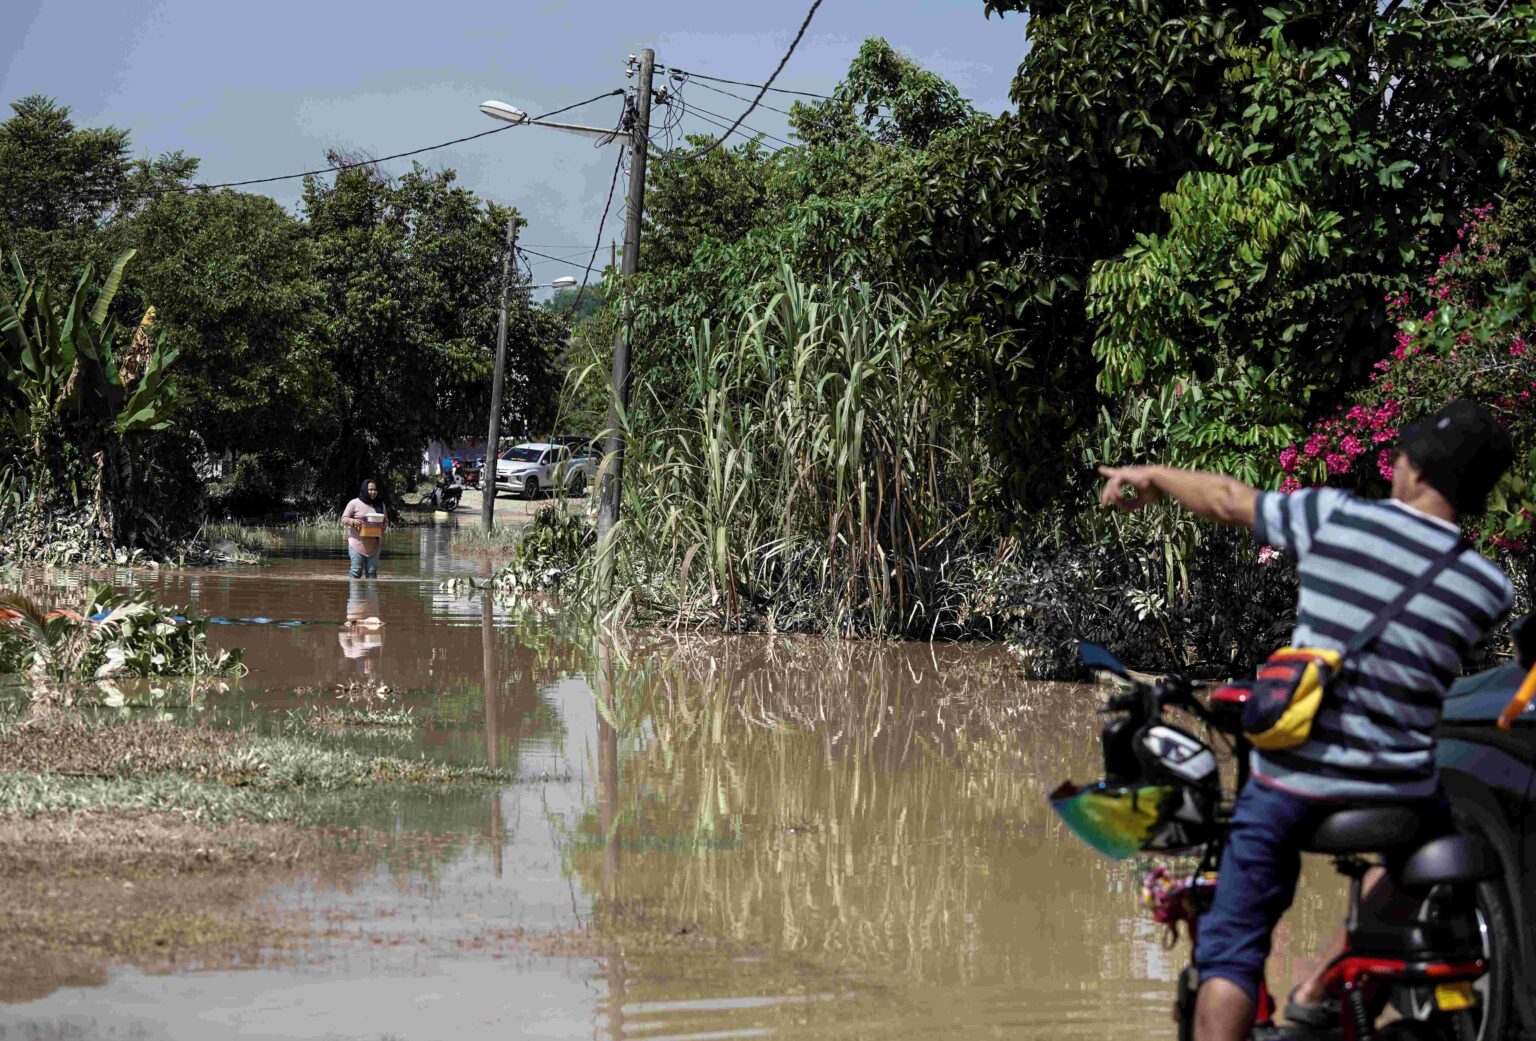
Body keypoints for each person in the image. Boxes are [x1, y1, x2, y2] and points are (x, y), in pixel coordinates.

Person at [1097, 398, 1515, 1041]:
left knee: (1231, 950)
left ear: (1413, 473)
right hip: (1401, 791)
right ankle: (1324, 978)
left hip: (1294, 787)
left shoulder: (1335, 518)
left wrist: (1151, 475)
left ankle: (1273, 996)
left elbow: (1227, 498)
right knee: (1424, 834)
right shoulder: (1488, 589)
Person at [341, 478, 388, 579]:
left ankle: (371, 595)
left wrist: (382, 528)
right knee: (356, 571)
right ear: (364, 490)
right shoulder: (354, 503)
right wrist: (354, 522)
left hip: (374, 545)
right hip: (357, 544)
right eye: (370, 489)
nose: (373, 492)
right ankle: (355, 594)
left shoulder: (380, 504)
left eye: (375, 490)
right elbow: (343, 519)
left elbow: (385, 521)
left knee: (372, 573)